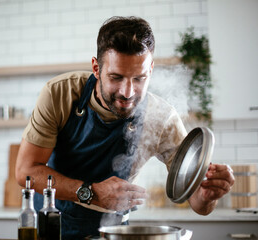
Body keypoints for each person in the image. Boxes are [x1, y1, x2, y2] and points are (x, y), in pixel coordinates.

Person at [15, 16, 235, 239]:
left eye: (139, 78)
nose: (127, 92)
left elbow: (198, 204)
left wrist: (208, 195)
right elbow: (26, 172)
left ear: (151, 69)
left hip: (115, 232)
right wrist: (92, 193)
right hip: (53, 226)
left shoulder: (162, 118)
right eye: (116, 77)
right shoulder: (60, 93)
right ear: (96, 68)